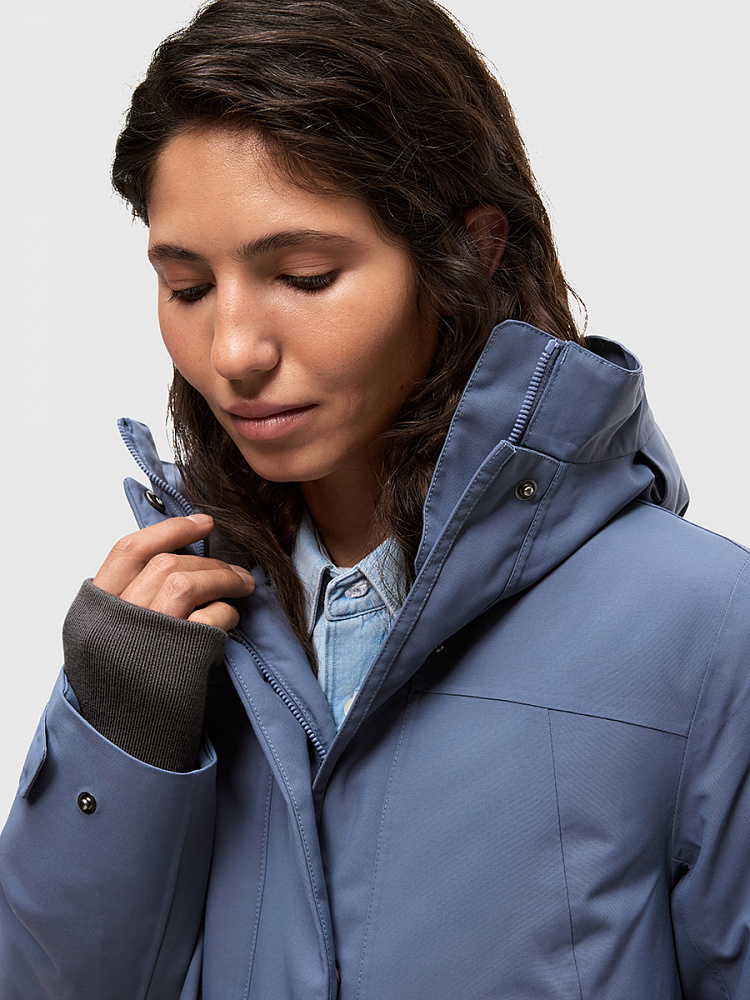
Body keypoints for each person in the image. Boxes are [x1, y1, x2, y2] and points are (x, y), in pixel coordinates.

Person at [1, 0, 749, 997]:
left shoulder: (707, 625)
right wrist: (117, 740)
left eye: (304, 276)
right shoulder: (165, 637)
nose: (233, 351)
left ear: (472, 249)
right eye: (187, 287)